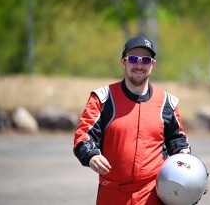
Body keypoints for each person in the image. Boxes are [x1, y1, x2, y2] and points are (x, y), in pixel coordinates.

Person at [73, 36, 191, 205]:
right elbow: (83, 135)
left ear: (153, 64)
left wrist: (183, 154)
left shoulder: (167, 102)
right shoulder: (102, 98)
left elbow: (177, 139)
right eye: (133, 59)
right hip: (112, 193)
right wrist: (90, 155)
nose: (139, 65)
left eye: (146, 60)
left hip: (153, 193)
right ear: (123, 62)